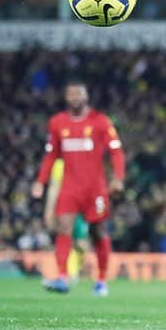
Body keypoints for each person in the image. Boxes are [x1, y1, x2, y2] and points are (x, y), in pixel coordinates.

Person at [31, 81, 125, 296]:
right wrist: (40, 181)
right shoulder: (57, 123)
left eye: (79, 94)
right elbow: (51, 155)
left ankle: (101, 280)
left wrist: (118, 178)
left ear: (86, 96)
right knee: (63, 228)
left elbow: (117, 152)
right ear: (66, 98)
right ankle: (63, 277)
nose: (75, 98)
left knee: (98, 231)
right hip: (70, 188)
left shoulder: (100, 122)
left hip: (96, 189)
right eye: (71, 94)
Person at [43, 158, 92, 284]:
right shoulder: (59, 164)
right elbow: (54, 187)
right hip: (64, 207)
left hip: (81, 208)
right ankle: (68, 274)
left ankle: (77, 269)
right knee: (66, 239)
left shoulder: (84, 160)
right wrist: (50, 210)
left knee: (81, 244)